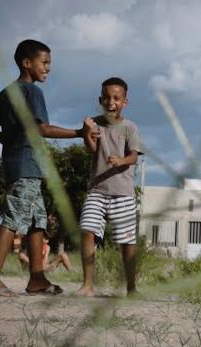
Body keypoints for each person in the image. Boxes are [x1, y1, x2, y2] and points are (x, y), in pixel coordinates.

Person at [0, 39, 95, 296]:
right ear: (26, 63)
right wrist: (79, 132)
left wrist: (6, 140)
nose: (48, 68)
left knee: (36, 221)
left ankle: (37, 279)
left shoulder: (6, 92)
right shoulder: (32, 92)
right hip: (26, 165)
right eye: (45, 62)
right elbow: (42, 129)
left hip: (17, 162)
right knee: (14, 218)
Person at [76, 77, 142, 297]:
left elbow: (134, 156)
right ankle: (87, 285)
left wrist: (121, 161)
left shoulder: (130, 127)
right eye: (106, 97)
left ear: (125, 102)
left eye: (116, 98)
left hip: (123, 193)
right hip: (97, 190)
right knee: (87, 230)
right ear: (100, 100)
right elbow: (92, 149)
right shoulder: (93, 124)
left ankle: (131, 287)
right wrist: (86, 133)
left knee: (127, 242)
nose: (110, 101)